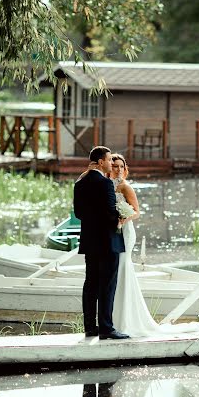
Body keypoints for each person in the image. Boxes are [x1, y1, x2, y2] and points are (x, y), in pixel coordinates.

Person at [110, 153, 199, 338]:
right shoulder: (106, 185)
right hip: (113, 230)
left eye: (121, 166)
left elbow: (137, 212)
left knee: (123, 267)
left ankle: (126, 321)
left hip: (125, 231)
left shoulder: (125, 187)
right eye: (115, 166)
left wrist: (123, 219)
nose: (119, 169)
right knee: (116, 270)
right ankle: (115, 318)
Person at [73, 146, 130, 340]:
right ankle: (106, 328)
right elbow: (110, 213)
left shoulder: (79, 183)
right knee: (107, 285)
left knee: (90, 284)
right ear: (100, 162)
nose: (110, 163)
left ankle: (90, 327)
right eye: (108, 160)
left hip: (90, 240)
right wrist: (120, 217)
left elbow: (79, 214)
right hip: (108, 241)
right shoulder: (105, 184)